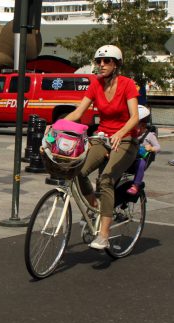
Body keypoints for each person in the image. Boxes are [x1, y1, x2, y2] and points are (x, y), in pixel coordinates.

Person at [63, 45, 140, 250]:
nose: (101, 65)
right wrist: (55, 127)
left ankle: (104, 235)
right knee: (77, 169)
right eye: (99, 61)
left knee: (105, 179)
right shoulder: (95, 84)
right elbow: (78, 113)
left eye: (106, 61)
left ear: (116, 64)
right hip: (102, 137)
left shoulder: (127, 84)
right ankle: (94, 207)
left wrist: (121, 133)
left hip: (125, 140)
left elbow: (135, 117)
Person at [126, 105, 160, 196]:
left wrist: (151, 148)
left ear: (143, 125)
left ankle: (136, 185)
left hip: (140, 158)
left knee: (141, 163)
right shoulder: (129, 133)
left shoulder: (150, 135)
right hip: (129, 157)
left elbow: (158, 147)